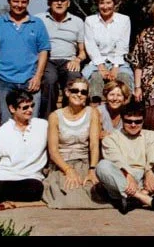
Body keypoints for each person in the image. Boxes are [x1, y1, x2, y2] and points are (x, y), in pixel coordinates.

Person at [95, 100, 154, 214]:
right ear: (122, 119)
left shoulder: (151, 135)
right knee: (102, 166)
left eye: (137, 122)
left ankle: (135, 199)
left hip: (146, 180)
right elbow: (116, 159)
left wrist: (148, 172)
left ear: (143, 121)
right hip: (123, 181)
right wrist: (127, 175)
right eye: (129, 121)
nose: (133, 125)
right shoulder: (111, 138)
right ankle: (147, 199)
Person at [42, 78, 111, 209]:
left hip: (85, 162)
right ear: (67, 92)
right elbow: (53, 151)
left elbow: (94, 145)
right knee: (69, 194)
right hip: (63, 164)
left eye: (83, 92)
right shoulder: (55, 116)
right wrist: (68, 170)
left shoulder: (92, 113)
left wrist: (92, 169)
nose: (79, 94)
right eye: (75, 90)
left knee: (92, 190)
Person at [35, 0, 86, 120]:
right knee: (49, 80)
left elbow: (83, 51)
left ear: (68, 3)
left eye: (62, 0)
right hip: (48, 59)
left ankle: (69, 117)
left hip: (69, 60)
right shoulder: (38, 19)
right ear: (49, 2)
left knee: (74, 80)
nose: (59, 3)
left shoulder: (77, 21)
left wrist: (77, 60)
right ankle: (49, 119)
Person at [83, 0, 134, 103]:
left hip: (118, 60)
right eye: (102, 3)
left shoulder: (124, 20)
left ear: (114, 4)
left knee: (124, 77)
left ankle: (126, 109)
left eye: (108, 2)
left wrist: (116, 67)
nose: (105, 7)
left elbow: (122, 44)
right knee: (94, 77)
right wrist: (101, 67)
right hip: (97, 61)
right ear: (97, 4)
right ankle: (96, 110)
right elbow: (90, 45)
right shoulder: (90, 21)